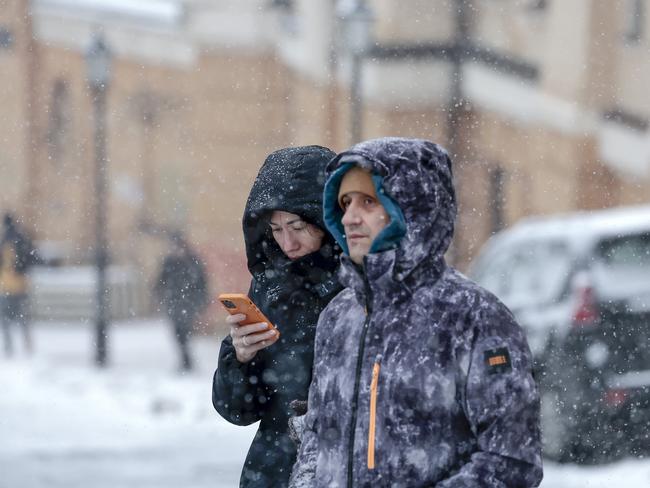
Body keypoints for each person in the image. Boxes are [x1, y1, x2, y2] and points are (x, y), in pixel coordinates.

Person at [289, 138, 543, 487]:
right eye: (345, 203)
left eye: (368, 201)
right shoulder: (339, 316)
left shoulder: (472, 317)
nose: (349, 217)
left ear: (412, 209)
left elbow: (511, 459)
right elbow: (317, 438)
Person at [212, 146, 341, 488]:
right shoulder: (270, 285)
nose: (288, 242)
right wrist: (240, 357)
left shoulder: (358, 287)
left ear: (326, 220)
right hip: (273, 470)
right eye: (277, 228)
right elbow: (238, 411)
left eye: (297, 226)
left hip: (341, 467)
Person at [154, 232, 208, 371]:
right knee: (177, 333)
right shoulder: (169, 262)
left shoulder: (192, 261)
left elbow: (202, 283)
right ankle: (185, 359)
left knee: (184, 332)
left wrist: (201, 301)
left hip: (188, 303)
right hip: (173, 302)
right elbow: (161, 280)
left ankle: (186, 361)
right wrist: (157, 293)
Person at [0, 213, 39, 357]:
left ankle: (9, 347)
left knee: (5, 319)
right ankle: (27, 345)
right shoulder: (22, 238)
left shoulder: (4, 239)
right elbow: (32, 258)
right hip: (21, 285)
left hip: (5, 285)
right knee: (23, 318)